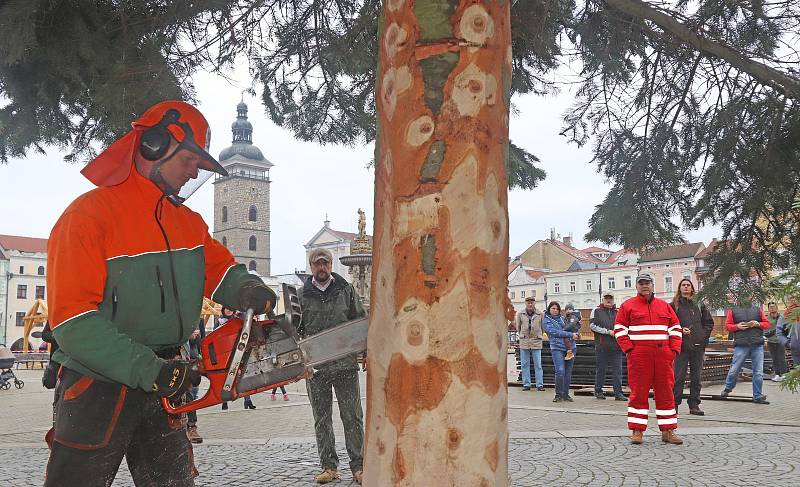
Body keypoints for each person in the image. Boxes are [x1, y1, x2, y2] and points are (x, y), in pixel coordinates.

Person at [43, 100, 277, 487]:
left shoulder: (186, 222)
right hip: (99, 385)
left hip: (168, 376)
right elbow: (73, 322)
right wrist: (150, 370)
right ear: (154, 144)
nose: (193, 172)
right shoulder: (89, 216)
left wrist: (246, 288)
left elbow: (218, 269)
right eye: (188, 160)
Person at [299, 248, 366, 485]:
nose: (322, 267)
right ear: (311, 266)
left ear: (331, 265)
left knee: (353, 417)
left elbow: (360, 322)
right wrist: (301, 362)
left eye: (325, 263)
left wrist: (365, 351)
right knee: (322, 419)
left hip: (345, 366)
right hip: (316, 370)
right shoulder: (301, 296)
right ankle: (329, 466)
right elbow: (296, 332)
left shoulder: (346, 290)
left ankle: (359, 466)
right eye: (317, 264)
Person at [614, 272, 683, 445]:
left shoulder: (664, 306)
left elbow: (675, 328)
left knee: (666, 393)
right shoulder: (627, 306)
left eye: (647, 283)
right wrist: (629, 349)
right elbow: (619, 329)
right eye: (641, 283)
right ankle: (637, 431)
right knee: (638, 393)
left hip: (663, 357)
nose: (645, 286)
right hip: (639, 357)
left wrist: (673, 350)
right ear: (637, 286)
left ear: (653, 286)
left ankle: (668, 431)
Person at [670, 279, 714, 416]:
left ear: (692, 288)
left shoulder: (699, 305)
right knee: (678, 377)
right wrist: (680, 330)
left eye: (688, 285)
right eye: (683, 285)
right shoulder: (673, 305)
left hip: (697, 347)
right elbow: (669, 324)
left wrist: (701, 337)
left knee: (696, 378)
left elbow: (709, 323)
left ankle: (694, 404)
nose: (686, 287)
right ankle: (674, 404)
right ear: (679, 288)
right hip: (681, 347)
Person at [721, 298, 770, 404]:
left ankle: (757, 396)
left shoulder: (757, 309)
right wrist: (737, 326)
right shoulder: (733, 310)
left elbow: (767, 324)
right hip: (741, 345)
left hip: (757, 344)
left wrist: (758, 324)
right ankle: (728, 388)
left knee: (758, 372)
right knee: (734, 369)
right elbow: (727, 326)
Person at [216, 307, 257, 410]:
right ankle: (224, 401)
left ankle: (247, 401)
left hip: (237, 351)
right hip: (225, 353)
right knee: (226, 378)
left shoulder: (237, 319)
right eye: (226, 309)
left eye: (230, 309)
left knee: (242, 376)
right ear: (223, 310)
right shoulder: (219, 322)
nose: (228, 310)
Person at [590, 293, 626, 401]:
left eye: (610, 298)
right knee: (601, 369)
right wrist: (607, 332)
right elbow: (592, 326)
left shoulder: (618, 312)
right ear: (603, 299)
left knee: (618, 371)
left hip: (616, 346)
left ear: (613, 300)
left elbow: (623, 325)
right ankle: (598, 391)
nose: (609, 300)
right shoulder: (596, 311)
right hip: (602, 346)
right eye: (607, 298)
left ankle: (618, 393)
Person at [542, 301, 579, 403]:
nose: (555, 310)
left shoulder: (563, 319)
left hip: (571, 347)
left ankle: (566, 394)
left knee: (568, 372)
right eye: (553, 308)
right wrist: (570, 335)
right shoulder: (546, 320)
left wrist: (576, 333)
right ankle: (558, 394)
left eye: (557, 309)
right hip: (557, 348)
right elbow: (555, 332)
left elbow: (573, 328)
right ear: (549, 309)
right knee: (560, 371)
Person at [514, 296, 544, 391]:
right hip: (525, 341)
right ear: (525, 304)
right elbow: (518, 327)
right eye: (528, 303)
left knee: (538, 364)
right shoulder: (520, 314)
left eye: (532, 303)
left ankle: (539, 385)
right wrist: (522, 335)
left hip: (536, 341)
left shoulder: (540, 314)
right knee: (524, 364)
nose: (530, 304)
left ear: (534, 303)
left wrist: (539, 335)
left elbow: (542, 327)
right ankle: (526, 384)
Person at [186, 327, 203, 443]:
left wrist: (193, 337)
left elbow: (195, 344)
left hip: (188, 364)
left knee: (189, 397)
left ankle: (191, 427)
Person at [765, 302, 788, 382]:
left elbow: (787, 328)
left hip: (780, 341)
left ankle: (784, 374)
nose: (772, 308)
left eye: (773, 307)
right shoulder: (766, 319)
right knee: (774, 359)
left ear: (777, 308)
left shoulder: (782, 317)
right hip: (771, 341)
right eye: (770, 307)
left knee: (782, 358)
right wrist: (774, 331)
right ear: (768, 309)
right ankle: (777, 374)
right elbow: (765, 332)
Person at [777, 296, 800, 369]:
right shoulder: (784, 316)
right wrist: (788, 343)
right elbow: (779, 333)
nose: (793, 301)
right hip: (796, 351)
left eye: (795, 299)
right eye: (791, 300)